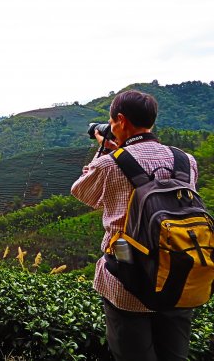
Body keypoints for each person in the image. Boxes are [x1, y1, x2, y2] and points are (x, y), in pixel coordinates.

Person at [71, 90, 198, 361]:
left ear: (120, 120)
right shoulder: (186, 161)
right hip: (178, 274)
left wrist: (105, 150)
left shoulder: (109, 164)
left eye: (112, 122)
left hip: (127, 280)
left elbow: (83, 193)